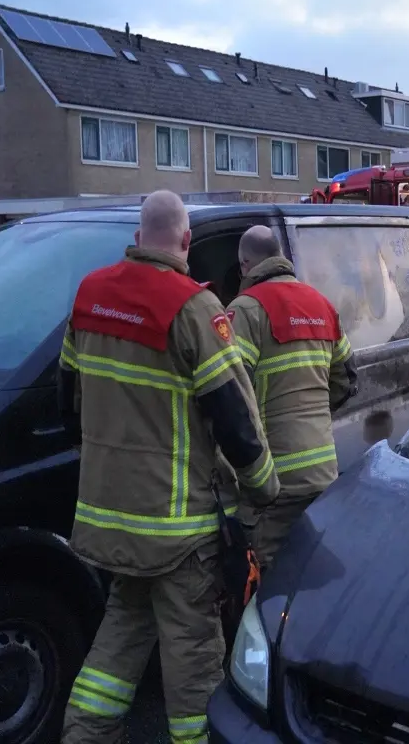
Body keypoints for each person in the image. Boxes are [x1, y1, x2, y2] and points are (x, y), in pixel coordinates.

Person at [58, 190, 280, 744]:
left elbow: (69, 404)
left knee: (119, 641)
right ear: (186, 242)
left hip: (111, 522)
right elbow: (235, 419)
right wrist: (263, 489)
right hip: (177, 532)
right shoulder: (193, 309)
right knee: (194, 665)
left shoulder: (88, 297)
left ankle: (83, 735)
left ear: (137, 239)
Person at [226, 225, 358, 569]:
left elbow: (229, 397)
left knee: (270, 578)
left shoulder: (245, 311)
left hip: (274, 481)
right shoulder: (322, 304)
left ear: (245, 264)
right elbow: (347, 381)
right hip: (322, 473)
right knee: (309, 571)